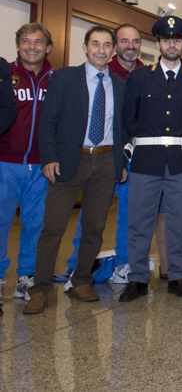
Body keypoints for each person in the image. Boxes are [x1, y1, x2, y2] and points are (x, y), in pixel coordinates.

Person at [24, 26, 128, 314]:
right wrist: (49, 158)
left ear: (113, 50)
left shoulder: (119, 85)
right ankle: (41, 288)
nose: (101, 50)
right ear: (85, 47)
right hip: (69, 160)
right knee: (53, 227)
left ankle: (81, 280)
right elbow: (48, 121)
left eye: (107, 45)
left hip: (106, 161)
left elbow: (122, 128)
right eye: (95, 44)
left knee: (94, 228)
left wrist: (120, 163)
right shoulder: (65, 78)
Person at [118, 16, 182, 303]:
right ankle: (137, 279)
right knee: (140, 223)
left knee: (180, 222)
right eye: (166, 39)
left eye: (178, 39)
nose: (172, 44)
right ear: (157, 43)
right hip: (146, 161)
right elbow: (127, 121)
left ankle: (178, 277)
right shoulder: (141, 77)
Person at [65, 24, 145, 284]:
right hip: (106, 155)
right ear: (114, 46)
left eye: (135, 41)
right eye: (123, 41)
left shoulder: (149, 74)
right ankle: (77, 266)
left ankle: (124, 263)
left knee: (130, 215)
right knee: (91, 214)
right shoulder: (102, 73)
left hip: (139, 156)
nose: (129, 46)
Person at [0, 23, 53, 303]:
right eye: (25, 41)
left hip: (42, 166)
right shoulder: (4, 74)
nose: (31, 46)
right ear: (18, 45)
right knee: (0, 222)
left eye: (38, 41)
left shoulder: (57, 79)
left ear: (48, 47)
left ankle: (27, 277)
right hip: (5, 162)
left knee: (36, 224)